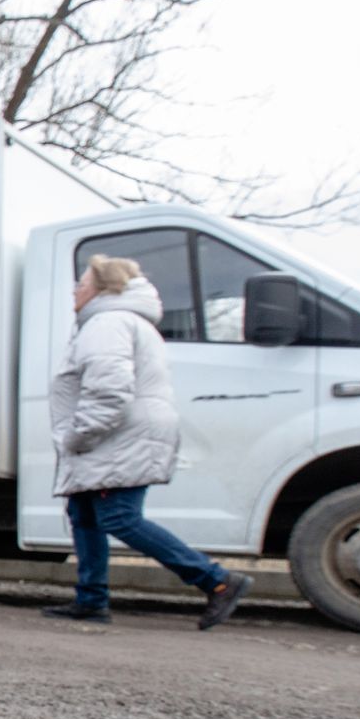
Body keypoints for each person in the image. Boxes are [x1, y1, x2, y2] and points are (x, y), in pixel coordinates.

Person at [44, 255, 252, 630]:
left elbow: (109, 391)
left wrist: (79, 434)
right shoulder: (119, 322)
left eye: (81, 283)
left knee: (119, 518)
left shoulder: (107, 323)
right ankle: (91, 599)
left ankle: (216, 580)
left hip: (114, 435)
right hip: (121, 433)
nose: (75, 290)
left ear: (100, 289)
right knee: (85, 514)